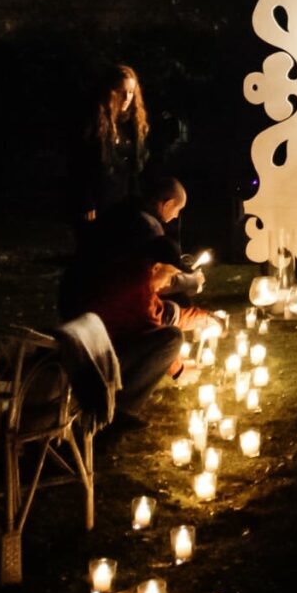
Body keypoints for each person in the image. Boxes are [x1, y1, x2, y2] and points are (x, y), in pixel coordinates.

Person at [58, 175, 211, 423]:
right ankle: (120, 411)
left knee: (169, 317)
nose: (167, 284)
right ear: (155, 266)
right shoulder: (142, 247)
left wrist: (200, 318)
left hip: (82, 321)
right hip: (93, 349)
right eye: (169, 276)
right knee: (170, 339)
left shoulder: (127, 227)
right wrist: (179, 370)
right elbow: (150, 322)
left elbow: (158, 308)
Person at [68, 65, 158, 263]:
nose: (127, 98)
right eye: (121, 92)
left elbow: (134, 167)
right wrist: (87, 201)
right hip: (98, 198)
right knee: (94, 254)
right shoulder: (94, 124)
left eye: (131, 92)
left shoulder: (131, 125)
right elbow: (80, 165)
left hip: (121, 199)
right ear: (109, 91)